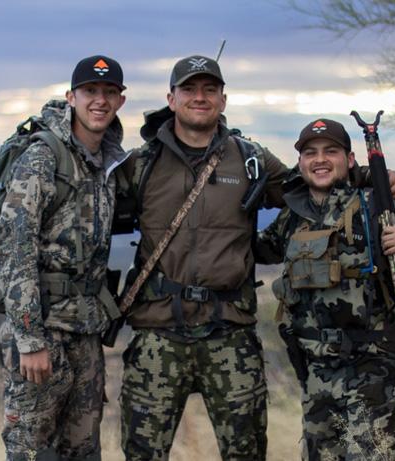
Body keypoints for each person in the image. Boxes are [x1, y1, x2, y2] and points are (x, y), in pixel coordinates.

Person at [116, 55, 291, 460]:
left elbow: (308, 190)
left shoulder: (251, 159)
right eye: (189, 89)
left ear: (223, 100)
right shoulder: (141, 164)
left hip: (229, 332)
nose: (200, 97)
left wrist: (367, 176)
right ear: (171, 98)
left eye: (209, 89)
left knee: (246, 452)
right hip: (158, 333)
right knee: (142, 453)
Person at [254, 118, 395, 460]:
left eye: (331, 151)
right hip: (317, 373)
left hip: (372, 369)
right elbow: (253, 250)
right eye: (310, 153)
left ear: (350, 158)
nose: (320, 159)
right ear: (300, 163)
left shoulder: (376, 206)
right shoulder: (293, 216)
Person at [0, 54, 128, 461]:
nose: (99, 101)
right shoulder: (43, 156)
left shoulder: (107, 161)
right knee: (32, 452)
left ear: (121, 100)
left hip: (85, 332)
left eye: (109, 93)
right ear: (71, 97)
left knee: (83, 451)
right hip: (43, 331)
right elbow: (14, 247)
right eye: (90, 92)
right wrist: (30, 339)